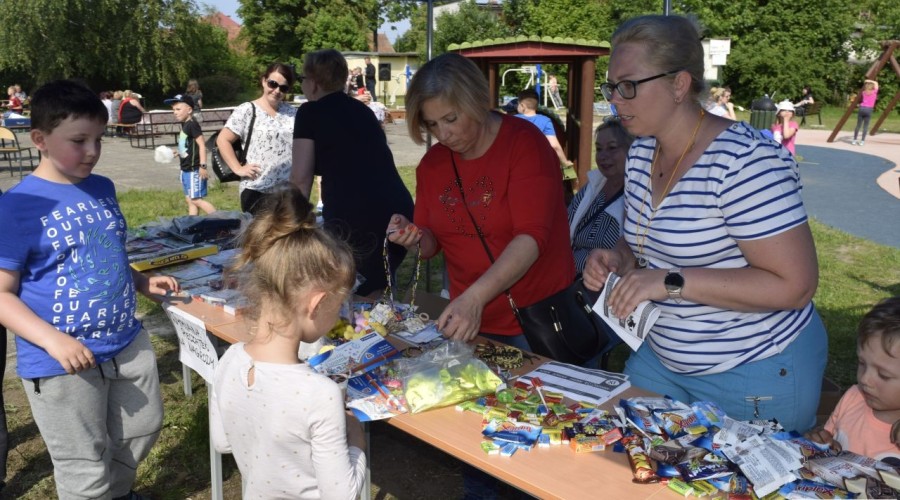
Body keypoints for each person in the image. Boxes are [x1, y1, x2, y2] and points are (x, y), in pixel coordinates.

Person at [585, 14, 825, 433]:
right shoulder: (641, 154)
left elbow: (795, 285)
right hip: (663, 357)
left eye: (628, 86)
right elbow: (644, 242)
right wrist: (619, 258)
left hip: (754, 367)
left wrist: (669, 282)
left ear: (679, 84)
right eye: (611, 88)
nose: (615, 101)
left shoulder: (746, 163)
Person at [0, 79, 179, 499]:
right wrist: (54, 341)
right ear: (39, 139)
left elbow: (106, 252)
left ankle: (116, 493)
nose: (93, 151)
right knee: (83, 462)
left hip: (125, 341)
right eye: (78, 140)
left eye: (98, 139)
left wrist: (138, 280)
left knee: (144, 426)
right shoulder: (17, 206)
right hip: (59, 360)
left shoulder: (102, 188)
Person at [386, 52, 575, 349]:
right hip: (469, 320)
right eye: (432, 124)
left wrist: (474, 297)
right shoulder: (432, 165)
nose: (443, 134)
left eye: (451, 119)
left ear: (475, 102)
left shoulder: (524, 143)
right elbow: (431, 244)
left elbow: (531, 237)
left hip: (537, 319)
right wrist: (412, 236)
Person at [210, 186, 367, 498]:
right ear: (316, 303)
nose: (337, 316)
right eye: (337, 307)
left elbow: (221, 441)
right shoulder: (319, 394)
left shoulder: (229, 360)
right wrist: (355, 437)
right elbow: (343, 494)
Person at [292, 49, 413, 297]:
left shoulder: (309, 112)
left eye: (302, 78)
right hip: (396, 208)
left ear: (314, 83)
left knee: (351, 292)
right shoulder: (363, 111)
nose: (302, 84)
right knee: (376, 289)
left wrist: (290, 225)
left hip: (357, 215)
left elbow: (300, 178)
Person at [805, 297, 900, 463]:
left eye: (884, 375)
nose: (865, 379)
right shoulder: (854, 397)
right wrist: (820, 439)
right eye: (862, 363)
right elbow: (830, 434)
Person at [218, 62, 297, 214]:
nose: (277, 91)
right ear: (263, 81)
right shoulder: (247, 110)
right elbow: (223, 140)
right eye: (272, 84)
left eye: (283, 88)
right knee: (261, 236)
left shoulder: (292, 112)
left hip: (287, 190)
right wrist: (238, 168)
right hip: (257, 189)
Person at [568, 117, 633, 272]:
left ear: (632, 149)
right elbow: (565, 225)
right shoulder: (593, 186)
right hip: (570, 281)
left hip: (604, 286)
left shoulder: (640, 194)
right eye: (599, 149)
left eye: (612, 148)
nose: (603, 156)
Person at [167, 94, 215, 215]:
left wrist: (203, 166)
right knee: (189, 199)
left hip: (195, 170)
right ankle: (192, 224)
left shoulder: (192, 124)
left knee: (197, 200)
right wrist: (179, 152)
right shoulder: (185, 125)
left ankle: (222, 221)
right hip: (185, 169)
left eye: (178, 109)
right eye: (173, 110)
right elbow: (189, 145)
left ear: (189, 110)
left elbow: (202, 146)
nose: (175, 112)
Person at [514, 89, 573, 168]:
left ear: (522, 106)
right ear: (537, 105)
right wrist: (564, 161)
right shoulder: (545, 121)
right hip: (538, 162)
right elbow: (555, 145)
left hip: (516, 162)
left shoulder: (512, 120)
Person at [852, 79, 878, 146]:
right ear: (873, 87)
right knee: (865, 126)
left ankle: (854, 140)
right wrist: (872, 81)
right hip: (869, 109)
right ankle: (862, 141)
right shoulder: (874, 92)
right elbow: (876, 83)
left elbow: (866, 83)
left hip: (862, 108)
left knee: (858, 125)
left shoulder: (864, 92)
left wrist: (867, 80)